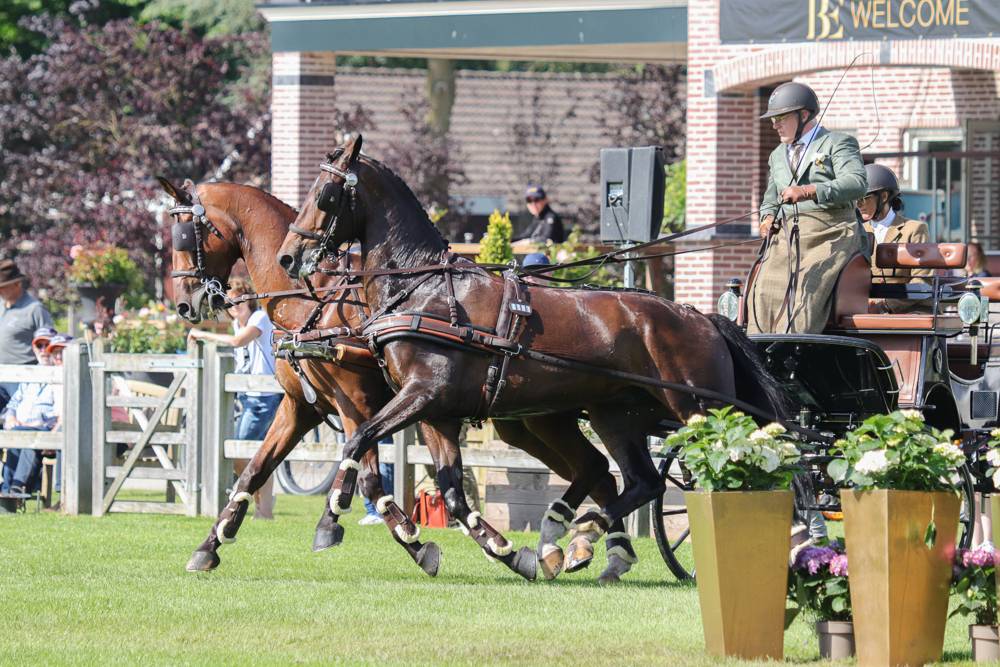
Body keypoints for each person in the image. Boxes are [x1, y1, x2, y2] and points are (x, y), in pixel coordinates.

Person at [746, 82, 868, 335]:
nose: (774, 124)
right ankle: (759, 351)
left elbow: (857, 183)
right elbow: (771, 197)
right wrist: (767, 218)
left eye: (780, 118)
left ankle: (792, 352)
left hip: (832, 233)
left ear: (803, 115)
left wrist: (807, 191)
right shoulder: (777, 155)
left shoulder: (837, 142)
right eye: (773, 119)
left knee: (806, 289)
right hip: (788, 236)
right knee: (762, 289)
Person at [188, 278, 280, 519]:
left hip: (263, 396)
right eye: (230, 302)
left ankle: (263, 504)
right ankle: (264, 506)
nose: (235, 305)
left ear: (249, 299)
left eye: (239, 299)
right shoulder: (238, 325)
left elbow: (238, 343)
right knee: (254, 453)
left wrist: (202, 334)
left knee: (240, 451)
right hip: (247, 395)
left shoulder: (259, 319)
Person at [860, 163, 932, 314]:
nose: (859, 205)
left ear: (884, 196)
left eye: (865, 198)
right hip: (866, 309)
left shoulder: (914, 229)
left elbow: (922, 281)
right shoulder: (857, 232)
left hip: (910, 309)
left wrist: (885, 305)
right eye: (856, 199)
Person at [0, 329, 65, 498]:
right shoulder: (29, 373)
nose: (43, 350)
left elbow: (59, 415)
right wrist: (11, 416)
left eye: (47, 346)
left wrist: (34, 425)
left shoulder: (60, 376)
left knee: (23, 438)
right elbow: (14, 402)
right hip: (20, 426)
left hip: (43, 429)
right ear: (34, 348)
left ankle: (13, 490)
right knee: (13, 434)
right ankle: (9, 490)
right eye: (39, 345)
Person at [0, 258, 53, 412]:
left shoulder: (34, 310)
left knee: (19, 420)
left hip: (24, 377)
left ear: (17, 284)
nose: (0, 291)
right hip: (1, 376)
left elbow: (47, 342)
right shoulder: (1, 306)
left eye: (3, 287)